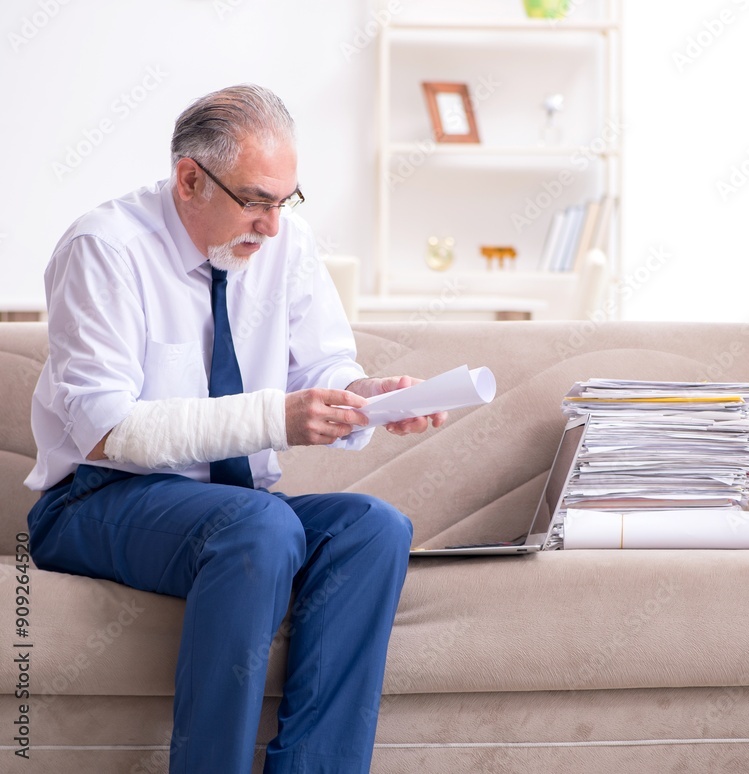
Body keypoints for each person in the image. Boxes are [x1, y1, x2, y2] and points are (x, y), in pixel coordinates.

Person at [24, 84, 444, 773]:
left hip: (231, 511)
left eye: (286, 200)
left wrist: (365, 395)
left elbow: (328, 363)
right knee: (263, 527)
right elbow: (106, 432)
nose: (274, 225)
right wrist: (275, 417)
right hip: (96, 500)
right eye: (257, 201)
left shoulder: (285, 243)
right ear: (190, 179)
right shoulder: (104, 249)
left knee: (375, 527)